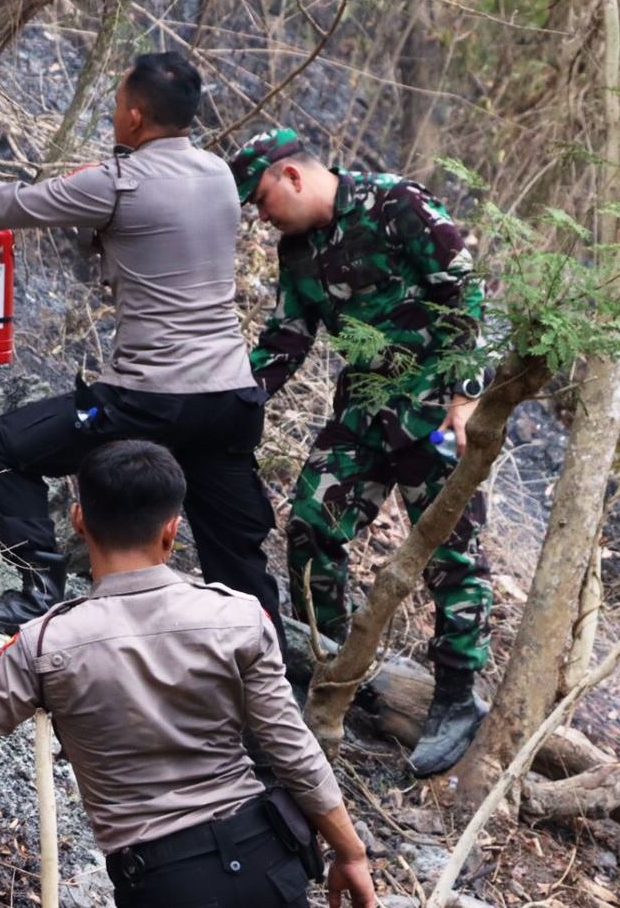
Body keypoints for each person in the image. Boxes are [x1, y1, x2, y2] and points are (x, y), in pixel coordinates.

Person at [0, 441, 376, 907]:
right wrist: (350, 852)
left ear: (77, 521)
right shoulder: (238, 618)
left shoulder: (45, 644)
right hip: (268, 862)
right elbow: (293, 753)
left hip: (163, 881)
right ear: (172, 529)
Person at [0, 51, 282, 642]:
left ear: (133, 116)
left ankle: (39, 591)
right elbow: (142, 236)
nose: (113, 117)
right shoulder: (217, 178)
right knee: (237, 555)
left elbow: (14, 206)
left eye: (115, 107)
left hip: (147, 399)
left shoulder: (119, 181)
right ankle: (268, 683)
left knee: (6, 450)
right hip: (230, 400)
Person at [227, 128, 495, 776]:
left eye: (262, 200)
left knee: (450, 550)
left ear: (292, 176)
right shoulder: (298, 251)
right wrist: (229, 399)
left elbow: (466, 287)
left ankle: (457, 696)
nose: (261, 218)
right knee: (313, 525)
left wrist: (466, 394)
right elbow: (286, 338)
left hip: (433, 409)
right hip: (365, 409)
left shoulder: (395, 204)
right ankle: (331, 667)